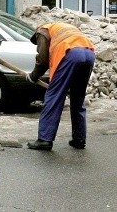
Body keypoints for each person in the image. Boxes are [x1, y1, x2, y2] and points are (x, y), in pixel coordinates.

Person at [26, 22, 95, 151]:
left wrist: (33, 76)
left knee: (54, 96)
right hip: (88, 53)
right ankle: (79, 139)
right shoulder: (61, 27)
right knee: (78, 98)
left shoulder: (42, 31)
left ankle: (44, 139)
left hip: (70, 53)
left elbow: (42, 60)